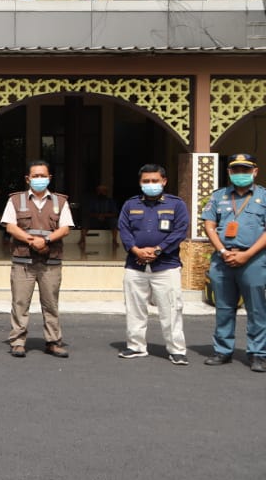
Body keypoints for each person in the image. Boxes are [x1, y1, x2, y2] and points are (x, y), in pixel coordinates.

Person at [1, 159, 75, 358]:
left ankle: (53, 341)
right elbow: (10, 226)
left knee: (50, 303)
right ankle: (17, 341)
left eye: (43, 176)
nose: (39, 179)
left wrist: (47, 240)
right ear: (28, 179)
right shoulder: (15, 200)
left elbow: (65, 228)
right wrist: (31, 240)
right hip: (23, 261)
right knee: (20, 303)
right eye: (35, 176)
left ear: (50, 178)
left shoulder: (60, 201)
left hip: (50, 262)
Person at [117, 164, 189, 365]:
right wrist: (135, 250)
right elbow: (123, 229)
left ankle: (176, 349)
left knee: (171, 309)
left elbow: (180, 231)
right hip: (135, 265)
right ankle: (136, 346)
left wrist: (158, 250)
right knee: (134, 308)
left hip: (166, 265)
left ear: (164, 181)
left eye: (155, 181)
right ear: (140, 183)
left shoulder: (177, 205)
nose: (151, 184)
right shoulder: (130, 205)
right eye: (146, 181)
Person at [201, 153, 266, 372]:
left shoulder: (264, 196)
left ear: (254, 172)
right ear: (229, 172)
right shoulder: (218, 196)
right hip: (222, 259)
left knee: (257, 308)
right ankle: (222, 350)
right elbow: (209, 224)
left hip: (254, 259)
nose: (241, 174)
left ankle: (258, 353)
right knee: (224, 306)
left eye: (245, 170)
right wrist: (221, 250)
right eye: (236, 170)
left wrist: (247, 255)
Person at [80, 184, 120, 251]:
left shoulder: (110, 201)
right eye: (99, 191)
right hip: (95, 220)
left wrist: (104, 215)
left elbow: (115, 213)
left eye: (103, 191)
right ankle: (82, 239)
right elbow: (88, 213)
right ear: (97, 192)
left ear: (106, 192)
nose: (101, 193)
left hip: (107, 220)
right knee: (85, 221)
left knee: (114, 221)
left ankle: (114, 240)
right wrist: (98, 216)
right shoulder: (92, 201)